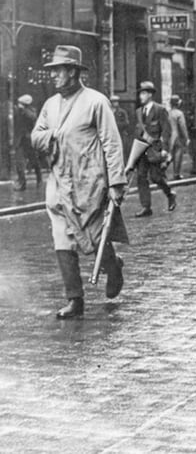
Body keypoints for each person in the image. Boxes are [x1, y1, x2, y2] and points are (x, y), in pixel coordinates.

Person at [30, 45, 126, 318]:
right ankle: (75, 299)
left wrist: (116, 182)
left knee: (95, 236)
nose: (54, 77)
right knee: (61, 237)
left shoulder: (96, 102)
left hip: (90, 182)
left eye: (58, 71)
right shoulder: (50, 105)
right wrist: (52, 136)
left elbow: (111, 142)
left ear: (72, 72)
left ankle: (113, 266)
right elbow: (36, 136)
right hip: (59, 181)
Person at [131, 81, 176, 217]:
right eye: (140, 93)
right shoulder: (138, 112)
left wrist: (165, 149)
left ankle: (170, 194)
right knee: (141, 177)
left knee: (156, 177)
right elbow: (137, 131)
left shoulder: (159, 110)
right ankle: (146, 207)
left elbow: (166, 131)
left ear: (150, 95)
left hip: (155, 149)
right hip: (142, 150)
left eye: (143, 93)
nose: (141, 96)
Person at [13, 94, 42, 191]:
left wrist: (23, 111)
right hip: (19, 141)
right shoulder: (17, 111)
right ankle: (22, 184)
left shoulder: (31, 111)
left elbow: (33, 118)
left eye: (21, 104)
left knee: (34, 161)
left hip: (29, 141)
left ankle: (39, 180)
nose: (19, 105)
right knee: (19, 163)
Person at [168, 95, 189, 180]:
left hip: (169, 136)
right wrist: (186, 138)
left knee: (170, 154)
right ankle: (176, 174)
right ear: (178, 103)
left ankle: (162, 169)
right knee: (178, 154)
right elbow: (182, 126)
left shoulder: (168, 113)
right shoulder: (179, 113)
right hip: (177, 136)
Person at [110, 95, 132, 162]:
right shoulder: (108, 111)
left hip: (120, 133)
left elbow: (126, 123)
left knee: (122, 150)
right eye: (113, 102)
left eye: (116, 101)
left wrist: (115, 125)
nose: (115, 103)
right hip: (111, 134)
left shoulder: (122, 112)